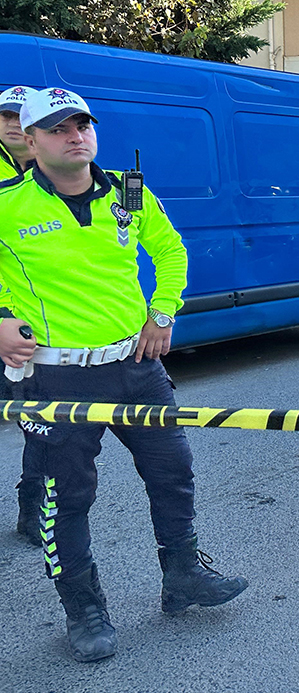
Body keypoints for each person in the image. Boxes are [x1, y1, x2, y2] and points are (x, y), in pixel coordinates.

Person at [0, 88, 248, 662]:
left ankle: (184, 575)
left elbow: (172, 252)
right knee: (67, 498)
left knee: (174, 472)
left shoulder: (127, 190)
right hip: (56, 376)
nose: (75, 135)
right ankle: (84, 611)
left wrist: (162, 314)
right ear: (30, 140)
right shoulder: (7, 204)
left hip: (137, 366)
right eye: (58, 128)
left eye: (82, 124)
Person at [0, 85, 43, 546]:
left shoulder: (51, 171)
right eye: (4, 114)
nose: (12, 121)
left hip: (33, 327)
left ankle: (33, 506)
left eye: (20, 114)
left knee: (37, 419)